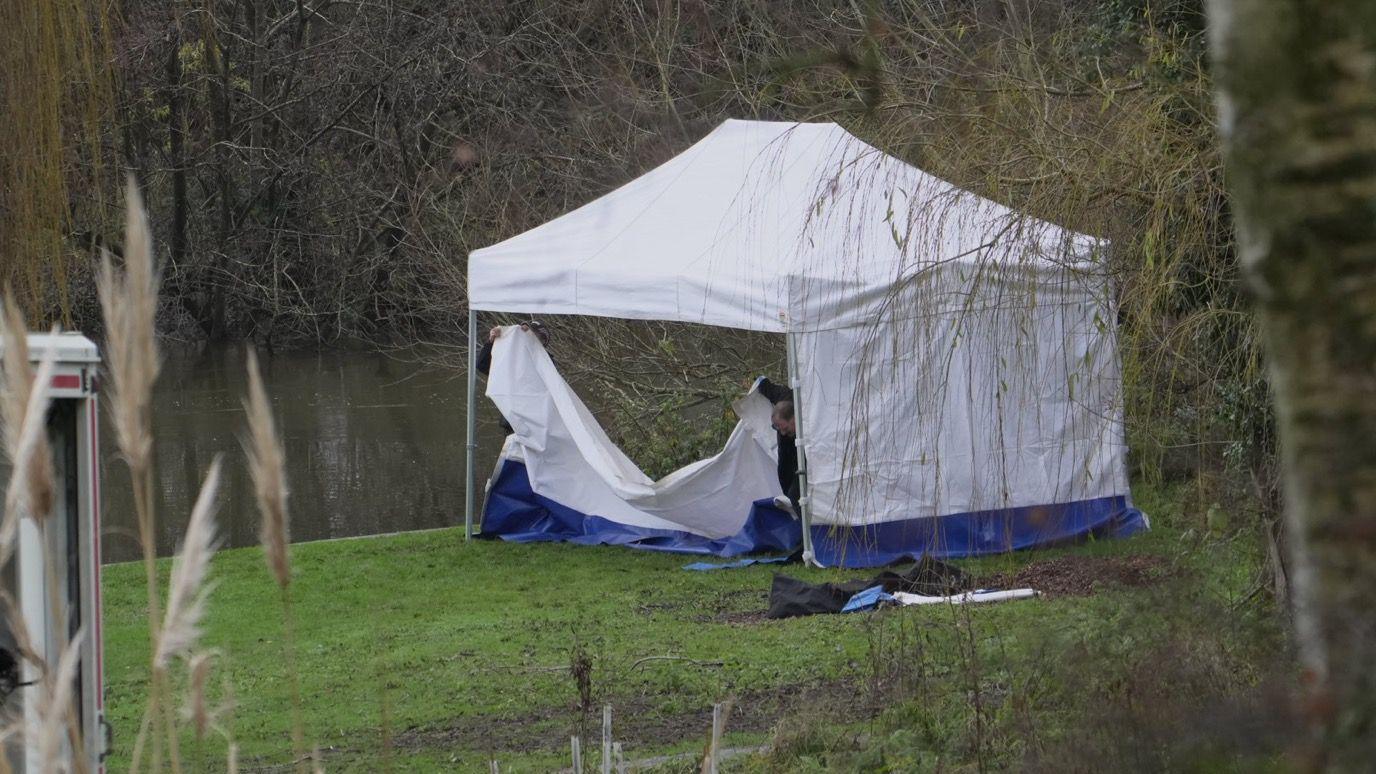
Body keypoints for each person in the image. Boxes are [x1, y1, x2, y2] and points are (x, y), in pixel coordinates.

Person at [476, 320, 551, 432]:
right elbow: (482, 365)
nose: (525, 337)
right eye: (522, 334)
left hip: (538, 427)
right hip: (512, 426)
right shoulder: (511, 362)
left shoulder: (548, 364)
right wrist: (492, 342)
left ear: (541, 341)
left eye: (531, 335)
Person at [754, 376, 800, 516]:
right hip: (788, 455)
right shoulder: (783, 397)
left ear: (794, 417)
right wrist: (760, 383)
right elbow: (769, 389)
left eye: (785, 428)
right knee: (788, 486)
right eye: (778, 428)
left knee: (795, 493)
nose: (783, 433)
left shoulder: (806, 413)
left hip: (804, 456)